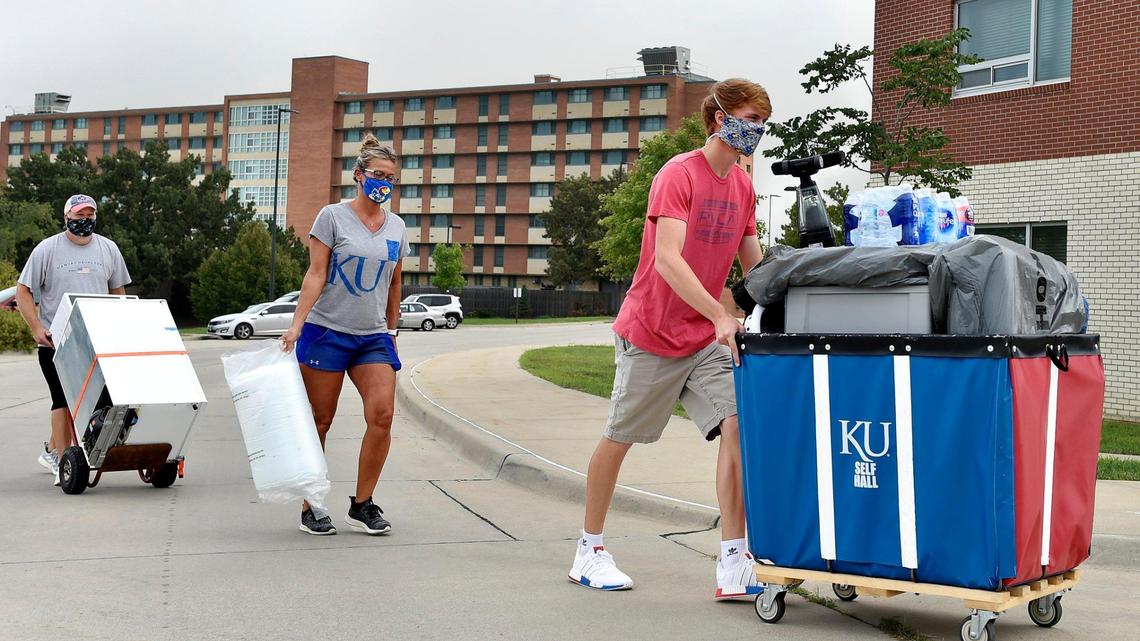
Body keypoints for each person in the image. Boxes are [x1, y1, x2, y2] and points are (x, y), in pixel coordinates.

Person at [567, 79, 771, 599]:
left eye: (763, 123)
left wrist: (785, 297)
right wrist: (720, 313)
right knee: (620, 437)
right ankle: (589, 549)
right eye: (750, 119)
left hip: (704, 340)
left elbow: (754, 266)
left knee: (738, 426)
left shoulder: (743, 187)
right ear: (720, 118)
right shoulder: (678, 174)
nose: (757, 130)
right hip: (652, 332)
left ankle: (734, 559)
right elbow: (667, 259)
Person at [281, 133, 408, 536]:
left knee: (382, 415)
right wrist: (297, 323)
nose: (384, 183)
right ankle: (311, 505)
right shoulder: (332, 217)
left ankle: (363, 503)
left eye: (390, 177)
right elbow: (315, 273)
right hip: (327, 331)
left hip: (372, 337)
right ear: (358, 175)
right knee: (319, 421)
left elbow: (394, 282)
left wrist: (392, 328)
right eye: (378, 175)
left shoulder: (397, 227)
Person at [16, 194, 131, 486]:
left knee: (98, 401)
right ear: (66, 217)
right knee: (62, 399)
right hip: (57, 340)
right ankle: (62, 460)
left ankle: (52, 449)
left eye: (90, 215)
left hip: (97, 340)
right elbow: (23, 291)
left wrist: (121, 326)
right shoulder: (47, 249)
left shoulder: (108, 248)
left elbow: (118, 291)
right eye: (79, 215)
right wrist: (36, 327)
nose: (85, 220)